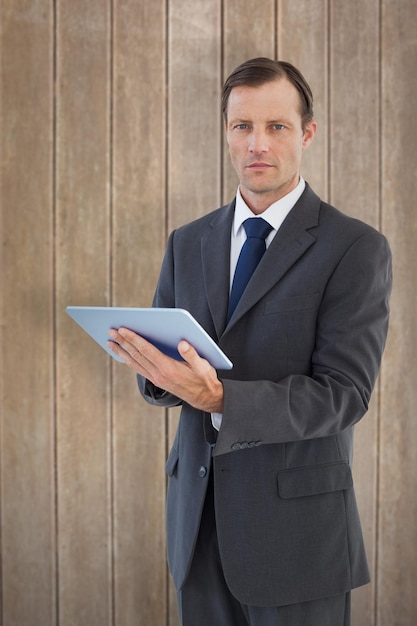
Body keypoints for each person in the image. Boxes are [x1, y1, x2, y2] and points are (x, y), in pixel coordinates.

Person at [108, 58, 392, 626]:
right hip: (198, 525)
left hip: (298, 541)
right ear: (226, 132)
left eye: (277, 126)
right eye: (242, 126)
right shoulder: (187, 242)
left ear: (307, 133)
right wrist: (152, 370)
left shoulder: (355, 247)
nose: (257, 143)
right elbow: (164, 376)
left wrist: (219, 398)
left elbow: (344, 395)